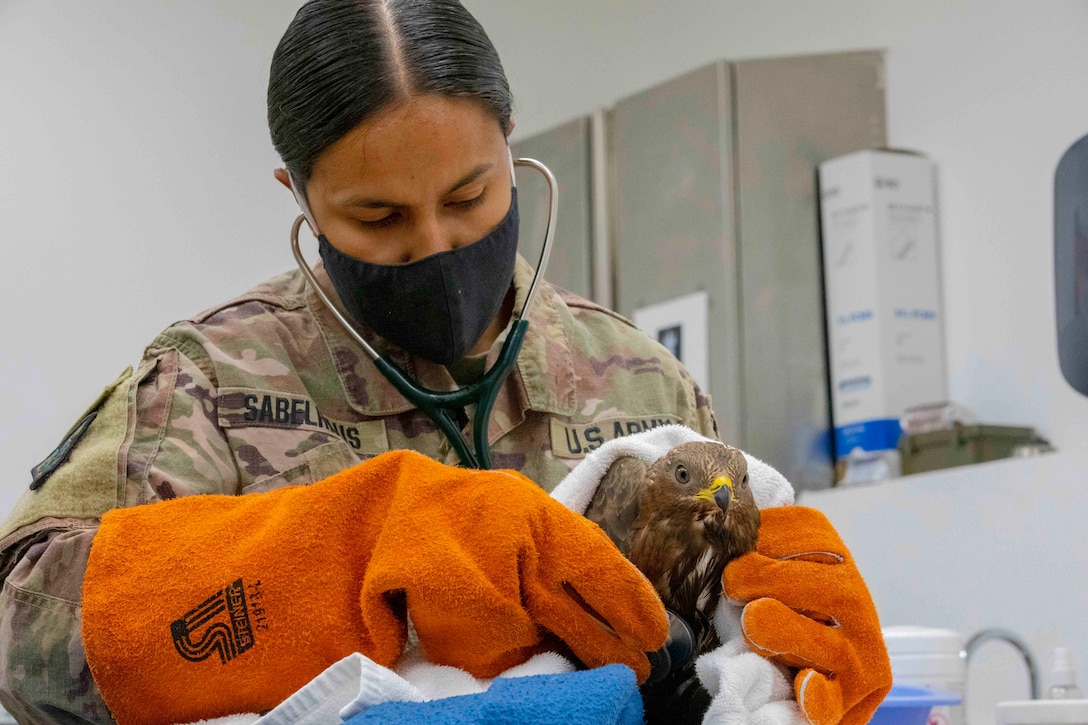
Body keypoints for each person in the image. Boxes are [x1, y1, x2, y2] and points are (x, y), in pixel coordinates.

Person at [0, 2, 890, 723]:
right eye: (377, 217)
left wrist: (788, 651)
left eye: (470, 194)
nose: (436, 243)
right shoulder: (214, 379)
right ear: (299, 194)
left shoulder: (641, 380)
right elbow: (22, 632)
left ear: (510, 139)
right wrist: (348, 554)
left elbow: (736, 640)